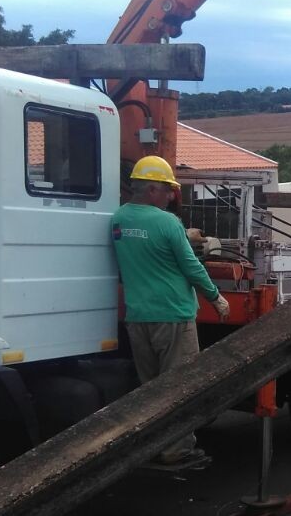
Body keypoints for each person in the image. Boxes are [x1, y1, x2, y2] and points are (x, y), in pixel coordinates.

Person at [111, 155, 230, 466]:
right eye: (167, 190)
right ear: (152, 189)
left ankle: (152, 445)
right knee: (180, 387)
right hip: (173, 316)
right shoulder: (168, 223)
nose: (171, 196)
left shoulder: (118, 220)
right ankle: (176, 448)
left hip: (138, 317)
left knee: (150, 389)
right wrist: (216, 297)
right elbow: (191, 266)